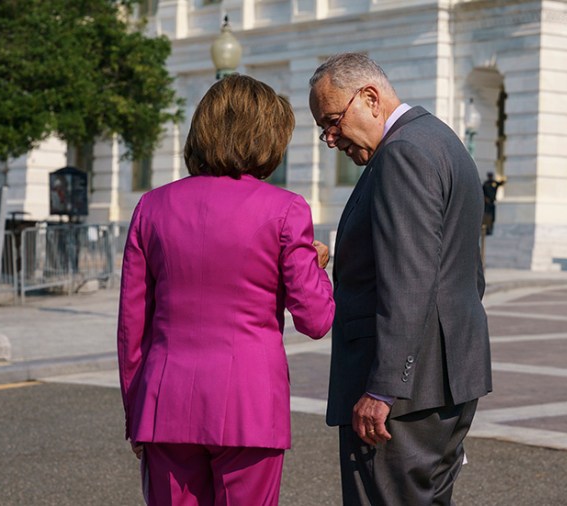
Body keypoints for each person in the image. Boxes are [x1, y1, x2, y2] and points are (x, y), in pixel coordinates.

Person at [117, 74, 335, 506]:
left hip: (165, 402)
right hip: (249, 403)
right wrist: (316, 264)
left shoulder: (151, 206)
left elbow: (131, 328)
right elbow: (315, 320)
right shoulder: (285, 210)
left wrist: (136, 415)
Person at [309, 53, 492, 505]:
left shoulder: (402, 154)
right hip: (444, 379)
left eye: (333, 121)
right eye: (323, 129)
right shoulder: (442, 141)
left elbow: (408, 280)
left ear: (370, 98)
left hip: (403, 395)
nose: (330, 139)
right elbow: (465, 271)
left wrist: (384, 386)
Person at [482, 172, 505, 236]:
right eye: (490, 176)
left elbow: (501, 183)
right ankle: (487, 230)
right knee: (486, 217)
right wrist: (486, 199)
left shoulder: (494, 183)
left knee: (492, 217)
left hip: (492, 202)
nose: (490, 177)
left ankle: (490, 229)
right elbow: (482, 193)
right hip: (487, 203)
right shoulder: (485, 184)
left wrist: (504, 178)